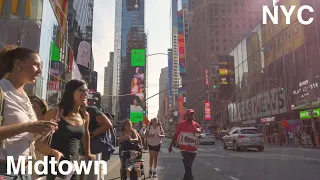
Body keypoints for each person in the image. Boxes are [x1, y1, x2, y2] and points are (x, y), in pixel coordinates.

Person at [0, 46, 59, 179]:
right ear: (18, 65)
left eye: (41, 66)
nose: (39, 71)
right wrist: (28, 126)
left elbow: (26, 137)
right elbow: (24, 128)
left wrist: (42, 129)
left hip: (25, 169)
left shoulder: (25, 96)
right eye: (35, 65)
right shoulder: (2, 91)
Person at [35, 79, 94, 180]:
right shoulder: (54, 113)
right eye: (81, 90)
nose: (85, 93)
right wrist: (54, 152)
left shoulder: (85, 115)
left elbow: (85, 134)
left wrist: (88, 152)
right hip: (54, 166)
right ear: (71, 92)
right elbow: (36, 142)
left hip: (73, 167)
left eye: (86, 90)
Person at [168, 109, 202, 180]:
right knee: (188, 167)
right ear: (186, 116)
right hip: (184, 150)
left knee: (188, 169)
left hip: (193, 150)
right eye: (190, 115)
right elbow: (175, 135)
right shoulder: (181, 124)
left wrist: (199, 135)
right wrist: (170, 146)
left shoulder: (196, 125)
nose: (192, 116)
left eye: (192, 114)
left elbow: (199, 136)